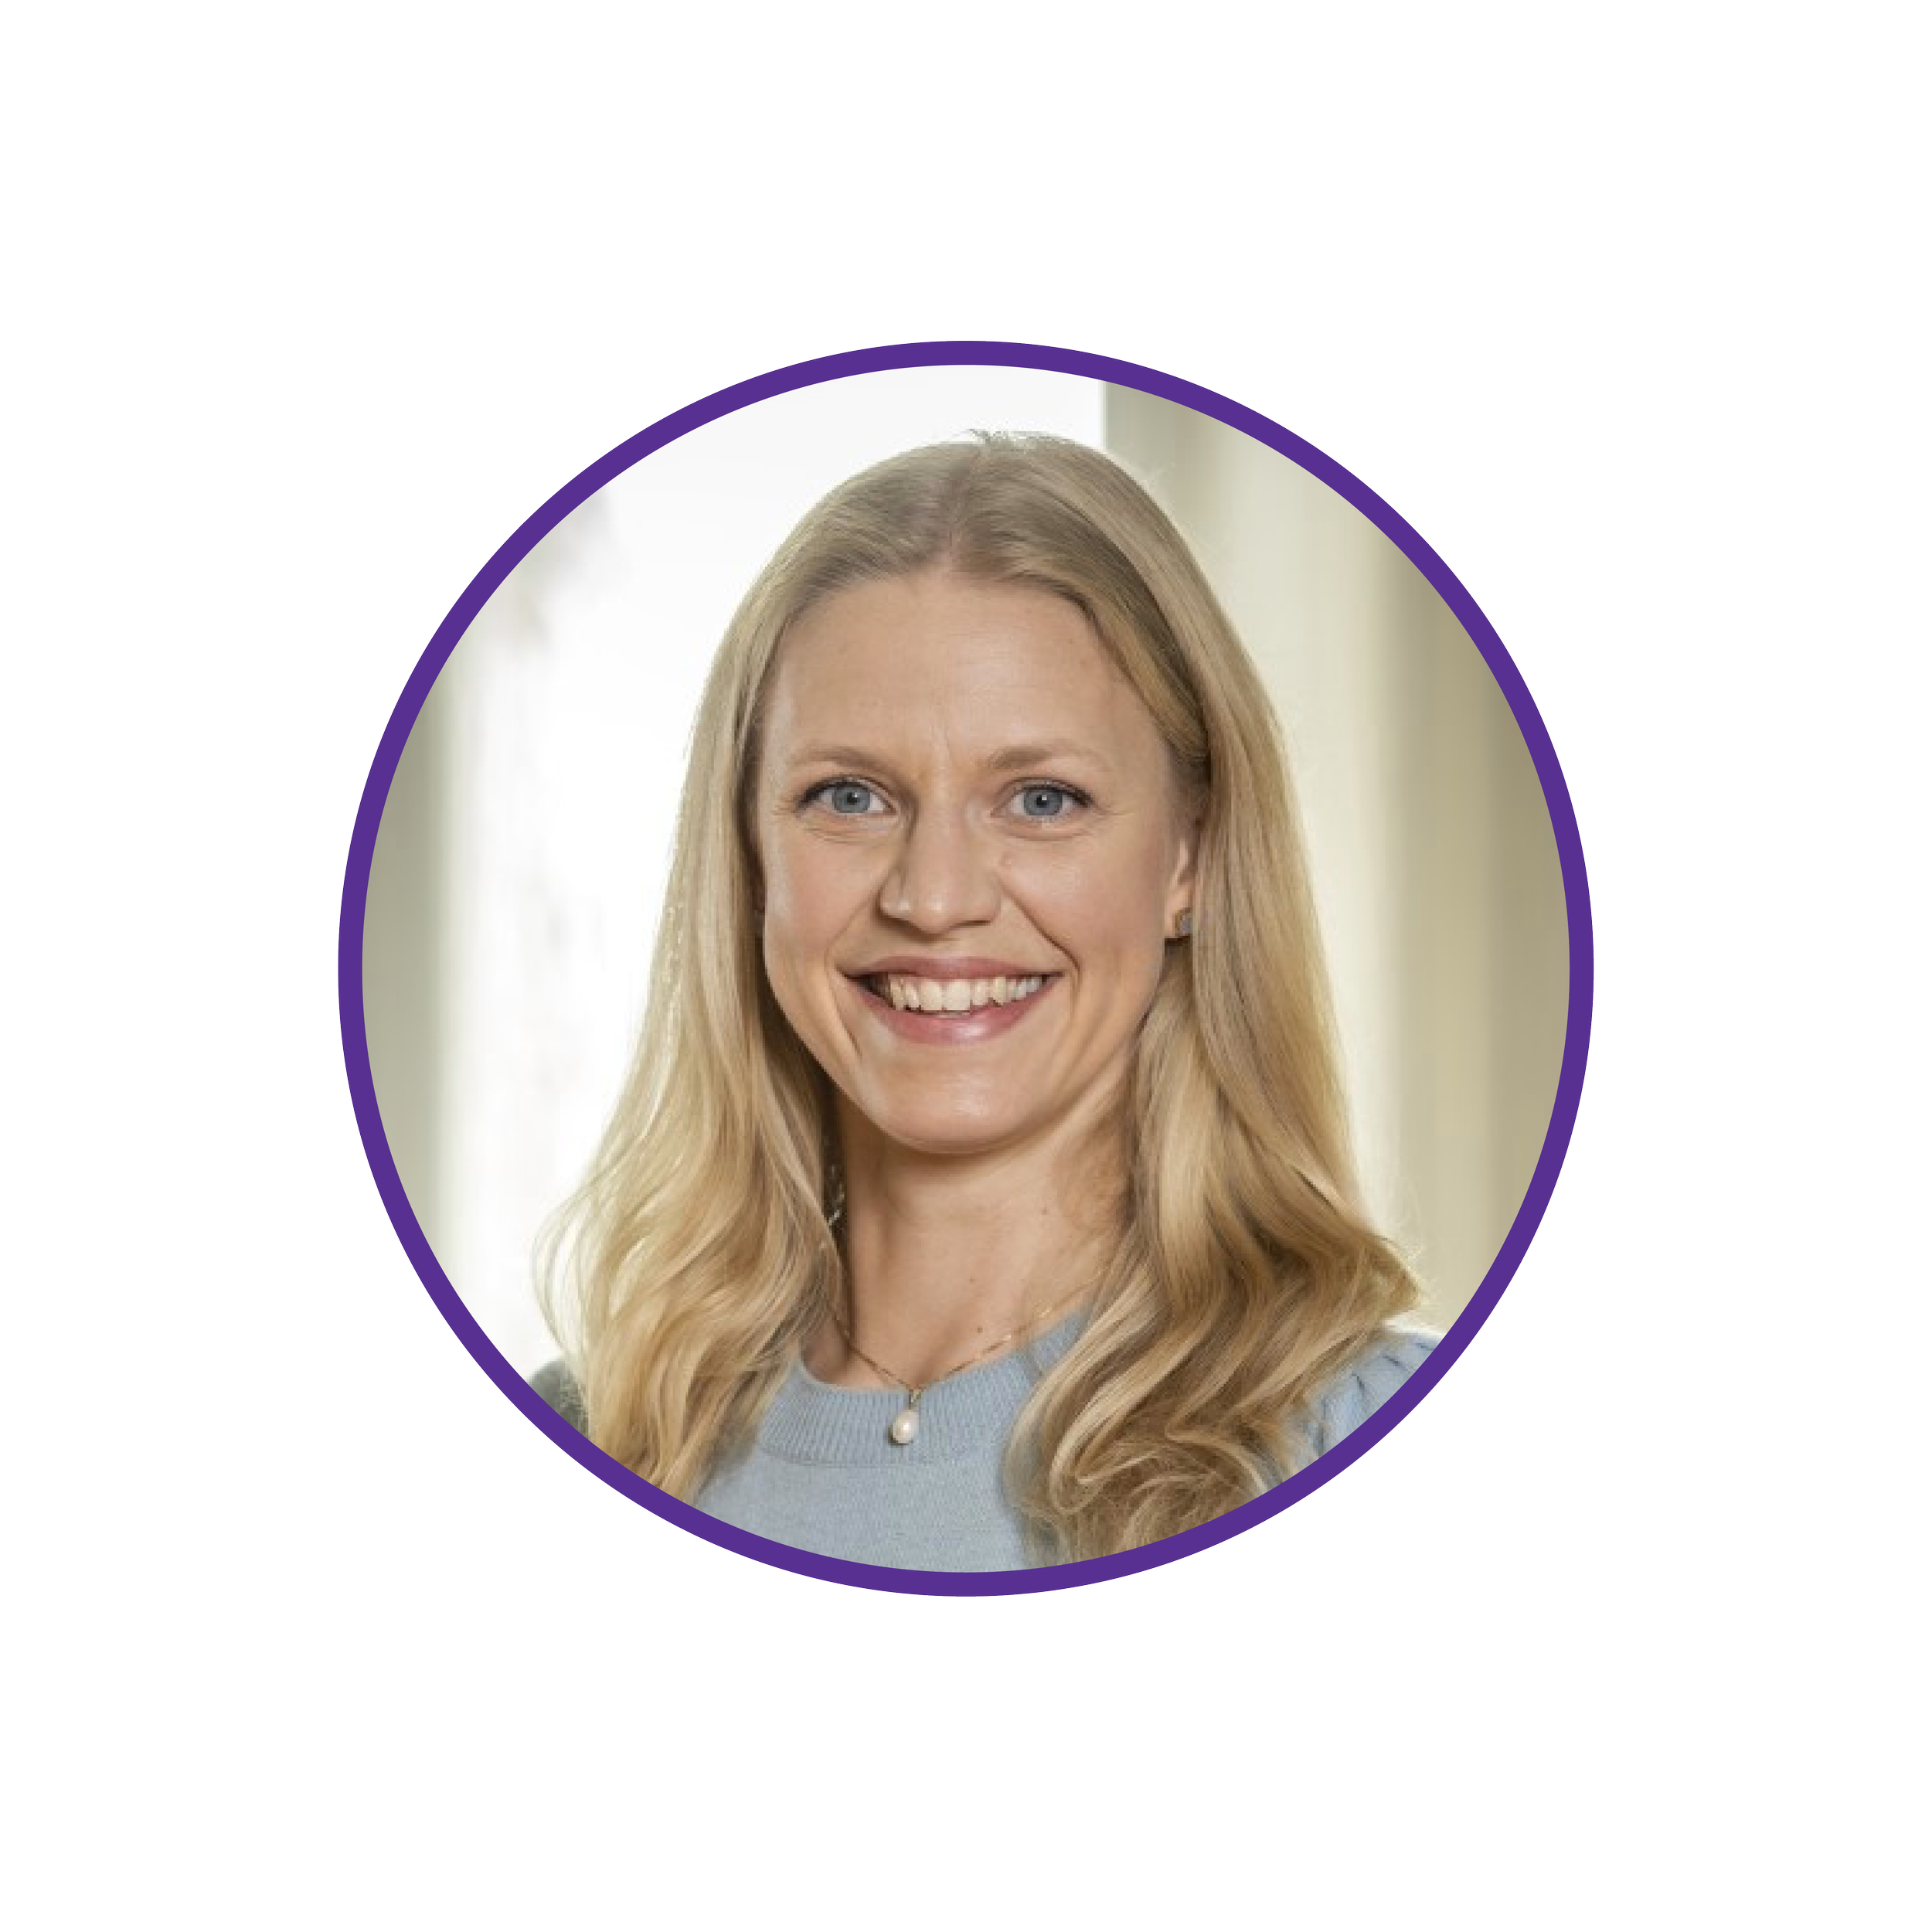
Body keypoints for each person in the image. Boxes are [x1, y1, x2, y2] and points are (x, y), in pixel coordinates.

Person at [533, 432, 1432, 1570]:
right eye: (849, 795)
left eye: (1043, 799)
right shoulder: (588, 1430)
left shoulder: (1383, 1441)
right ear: (750, 854)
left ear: (1190, 856)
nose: (935, 898)